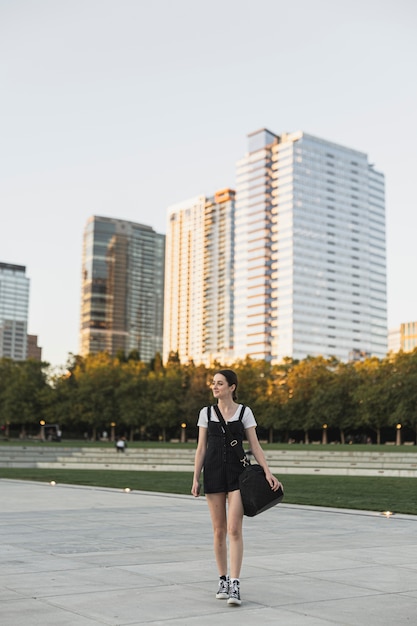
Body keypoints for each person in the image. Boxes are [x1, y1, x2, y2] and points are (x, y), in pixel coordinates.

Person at [191, 369, 281, 607]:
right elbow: (201, 448)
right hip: (212, 474)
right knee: (218, 530)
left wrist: (268, 472)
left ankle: (235, 583)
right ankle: (222, 579)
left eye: (220, 383)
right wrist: (195, 478)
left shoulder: (244, 412)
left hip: (238, 477)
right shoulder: (206, 412)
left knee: (234, 529)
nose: (215, 387)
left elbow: (255, 446)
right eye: (213, 383)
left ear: (232, 387)